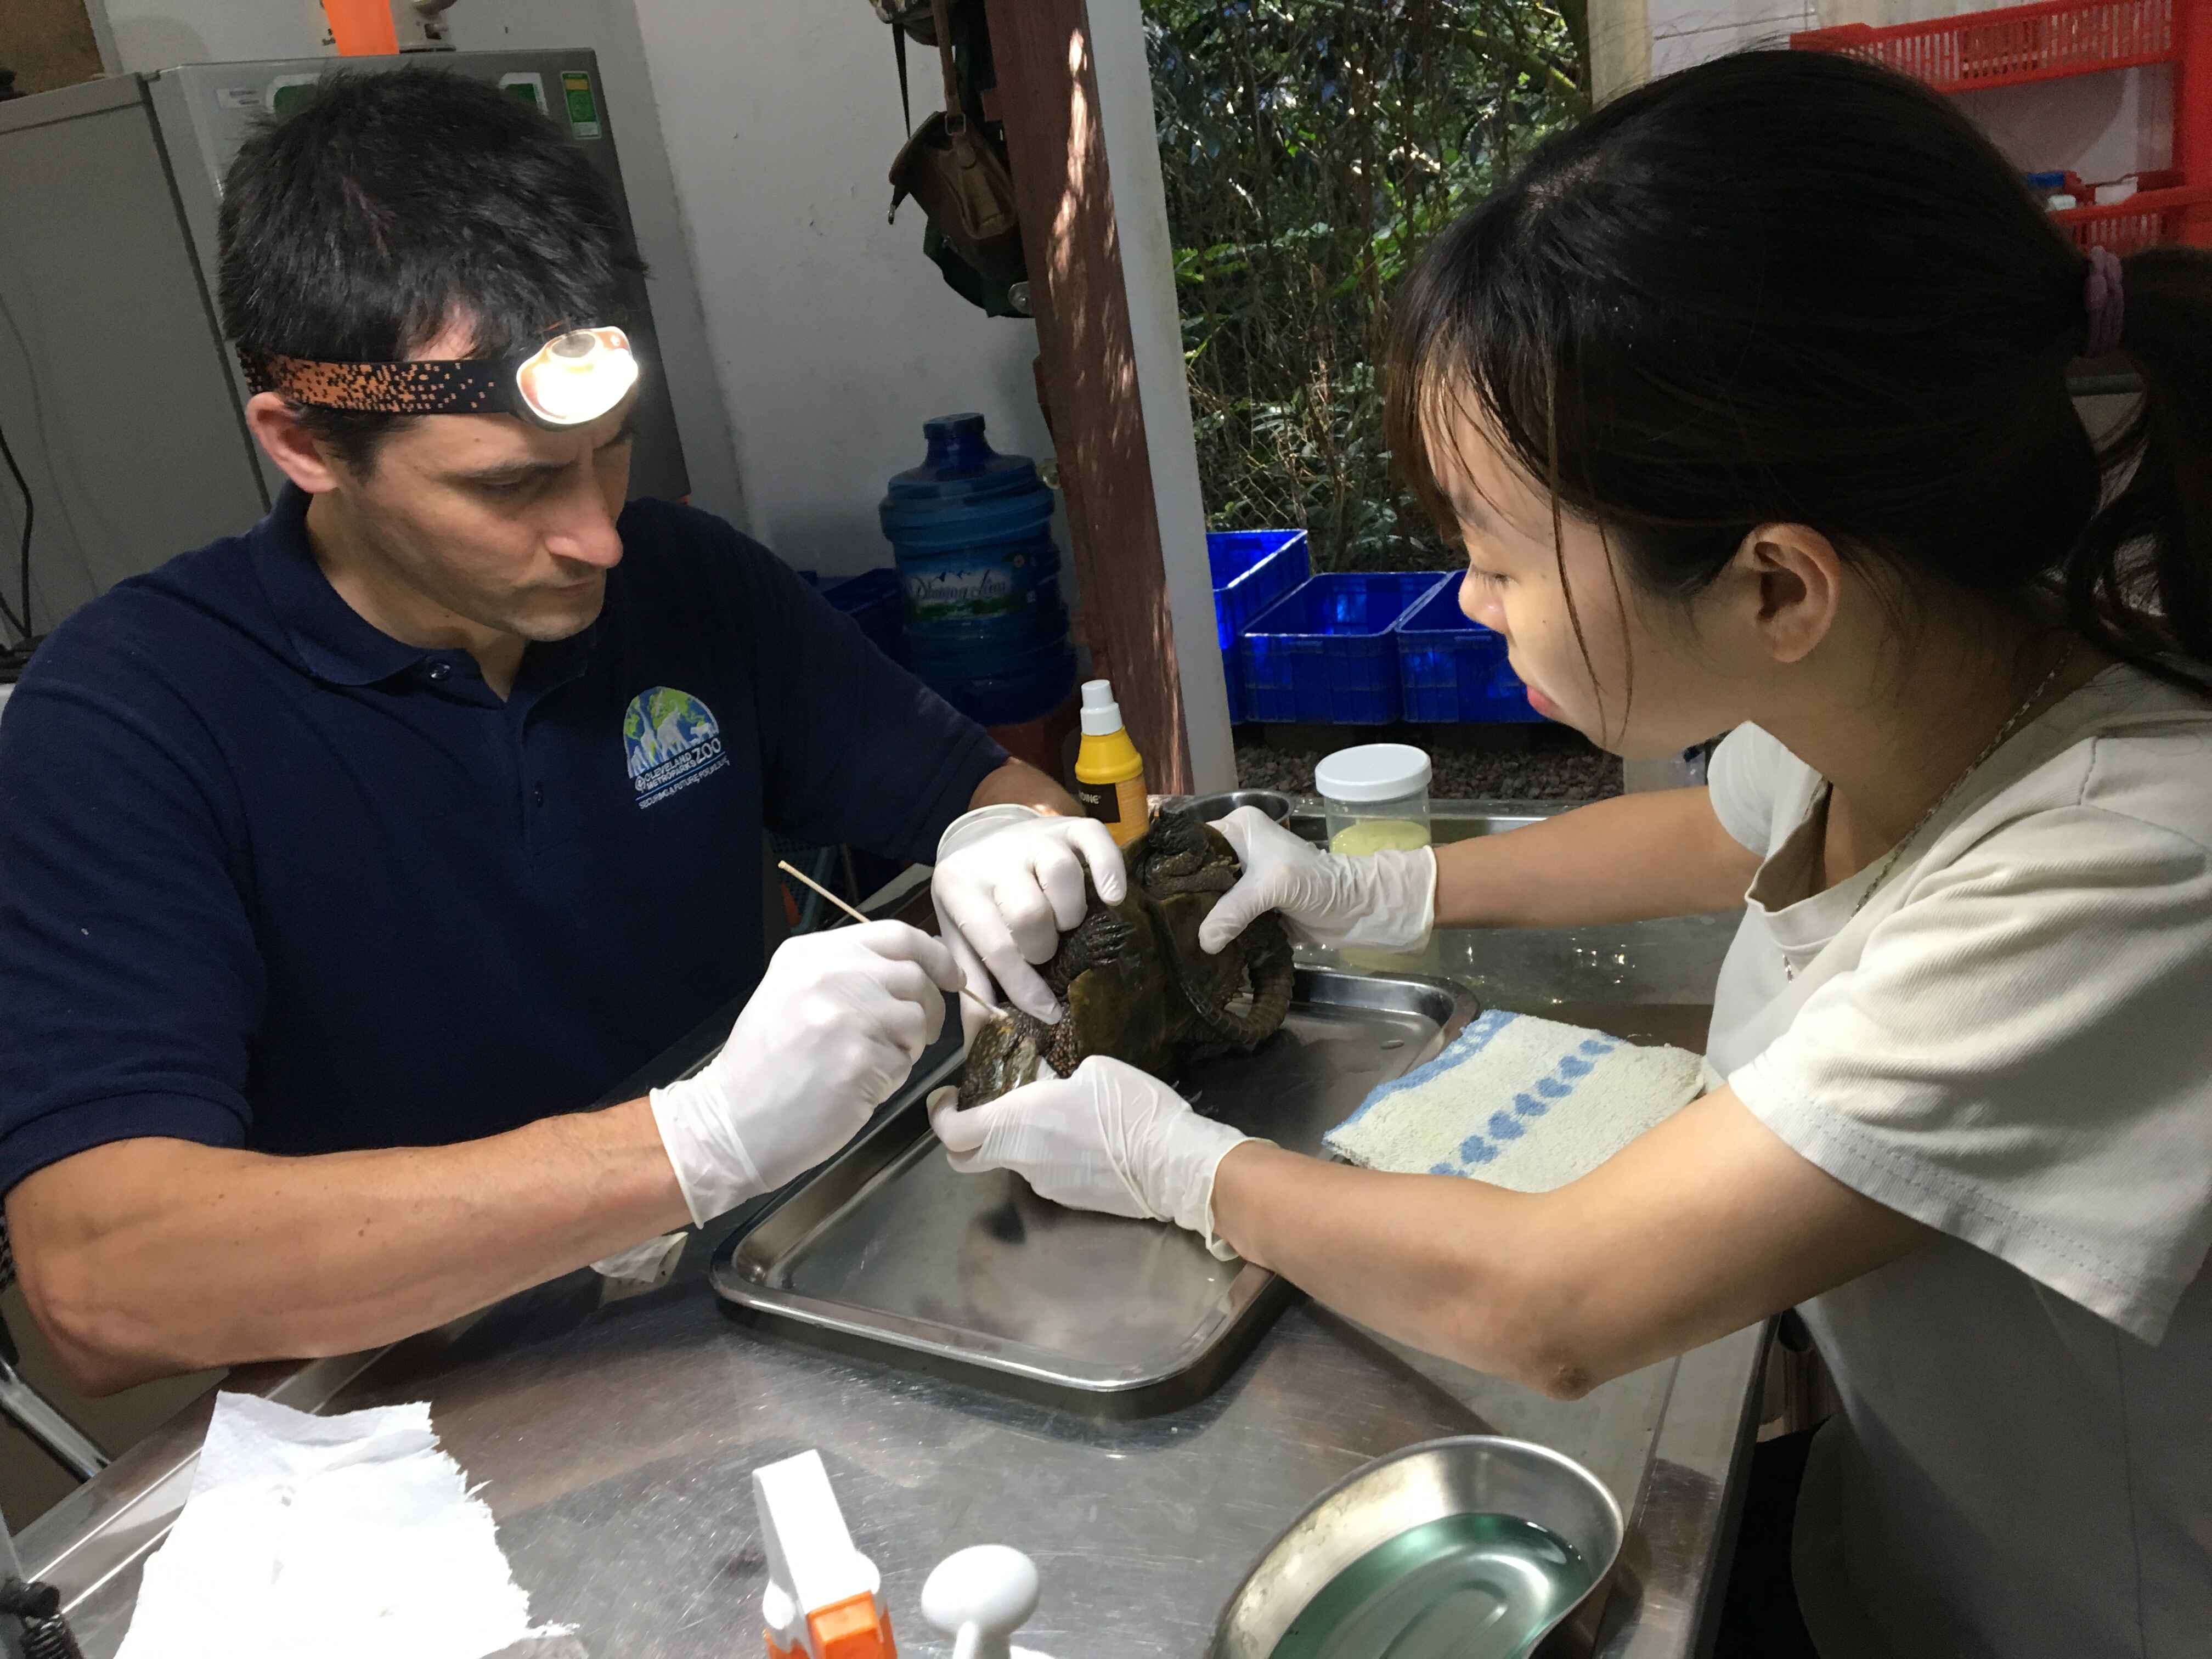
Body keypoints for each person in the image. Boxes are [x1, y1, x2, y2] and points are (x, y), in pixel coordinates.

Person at [932, 50, 2212, 1659]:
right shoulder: (1944, 651)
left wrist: (1182, 1168)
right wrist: (1383, 885)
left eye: (1498, 555)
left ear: (1774, 588)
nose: (1471, 601)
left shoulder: (2130, 862)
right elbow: (1717, 829)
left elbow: (1557, 1305)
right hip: (1902, 1556)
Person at [0, 67, 1119, 1396]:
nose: (595, 534)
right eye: (513, 484)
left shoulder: (685, 583)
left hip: (769, 1294)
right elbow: (103, 1282)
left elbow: (989, 786)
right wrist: (688, 1145)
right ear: (303, 442)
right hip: (419, 1413)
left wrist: (1008, 835)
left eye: (611, 450)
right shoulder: (132, 717)